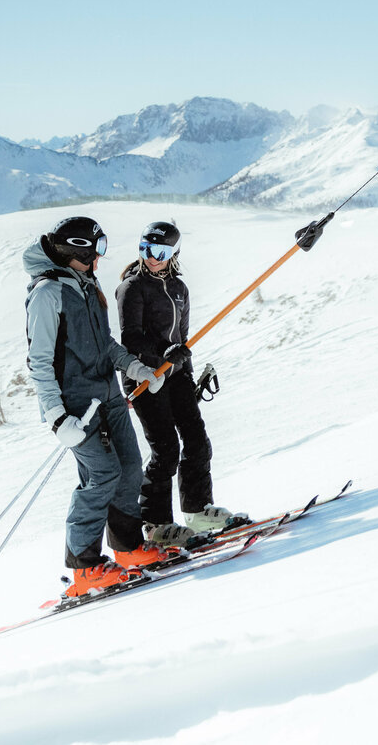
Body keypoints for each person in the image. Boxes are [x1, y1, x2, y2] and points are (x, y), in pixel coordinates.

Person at [23, 215, 176, 597]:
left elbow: (105, 343)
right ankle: (84, 568)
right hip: (75, 407)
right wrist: (58, 419)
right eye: (97, 248)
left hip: (108, 395)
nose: (100, 257)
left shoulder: (87, 284)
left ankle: (127, 550)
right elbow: (39, 361)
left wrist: (136, 367)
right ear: (77, 250)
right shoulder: (47, 294)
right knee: (101, 476)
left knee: (128, 469)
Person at [116, 221, 249, 545]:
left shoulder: (179, 289)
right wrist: (164, 354)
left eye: (160, 251)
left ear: (174, 253)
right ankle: (157, 524)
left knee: (197, 440)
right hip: (145, 376)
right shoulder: (132, 287)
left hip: (175, 376)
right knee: (166, 449)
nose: (152, 257)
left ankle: (198, 510)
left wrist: (185, 373)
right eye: (146, 249)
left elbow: (183, 341)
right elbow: (131, 337)